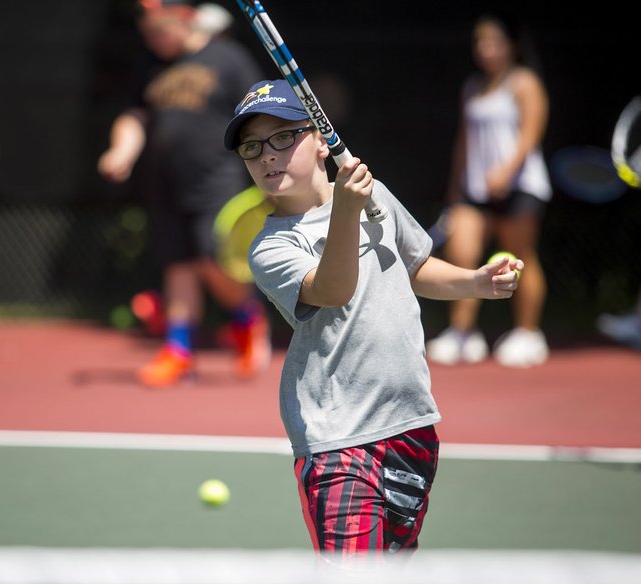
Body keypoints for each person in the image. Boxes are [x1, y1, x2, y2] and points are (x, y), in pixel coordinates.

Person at [223, 78, 523, 566]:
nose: (267, 156)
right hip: (337, 438)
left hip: (412, 424)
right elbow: (331, 290)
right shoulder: (271, 247)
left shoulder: (373, 195)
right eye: (252, 148)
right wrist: (346, 210)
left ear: (321, 138)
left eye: (283, 137)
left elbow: (414, 264)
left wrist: (475, 282)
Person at [97, 0, 270, 387]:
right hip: (165, 183)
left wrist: (266, 167)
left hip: (218, 179)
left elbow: (257, 114)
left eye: (159, 30)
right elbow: (135, 115)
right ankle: (177, 351)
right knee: (177, 264)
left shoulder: (228, 58)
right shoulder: (152, 65)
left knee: (211, 257)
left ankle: (246, 318)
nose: (153, 40)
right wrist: (121, 150)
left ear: (185, 20)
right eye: (147, 33)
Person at [426, 13, 552, 368]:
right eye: (480, 42)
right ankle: (463, 334)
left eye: (494, 41)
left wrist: (507, 171)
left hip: (521, 186)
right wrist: (455, 189)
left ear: (511, 46)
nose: (486, 49)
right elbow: (464, 144)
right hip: (473, 190)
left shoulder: (525, 83)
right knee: (462, 253)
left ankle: (528, 333)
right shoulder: (472, 87)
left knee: (519, 255)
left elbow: (531, 134)